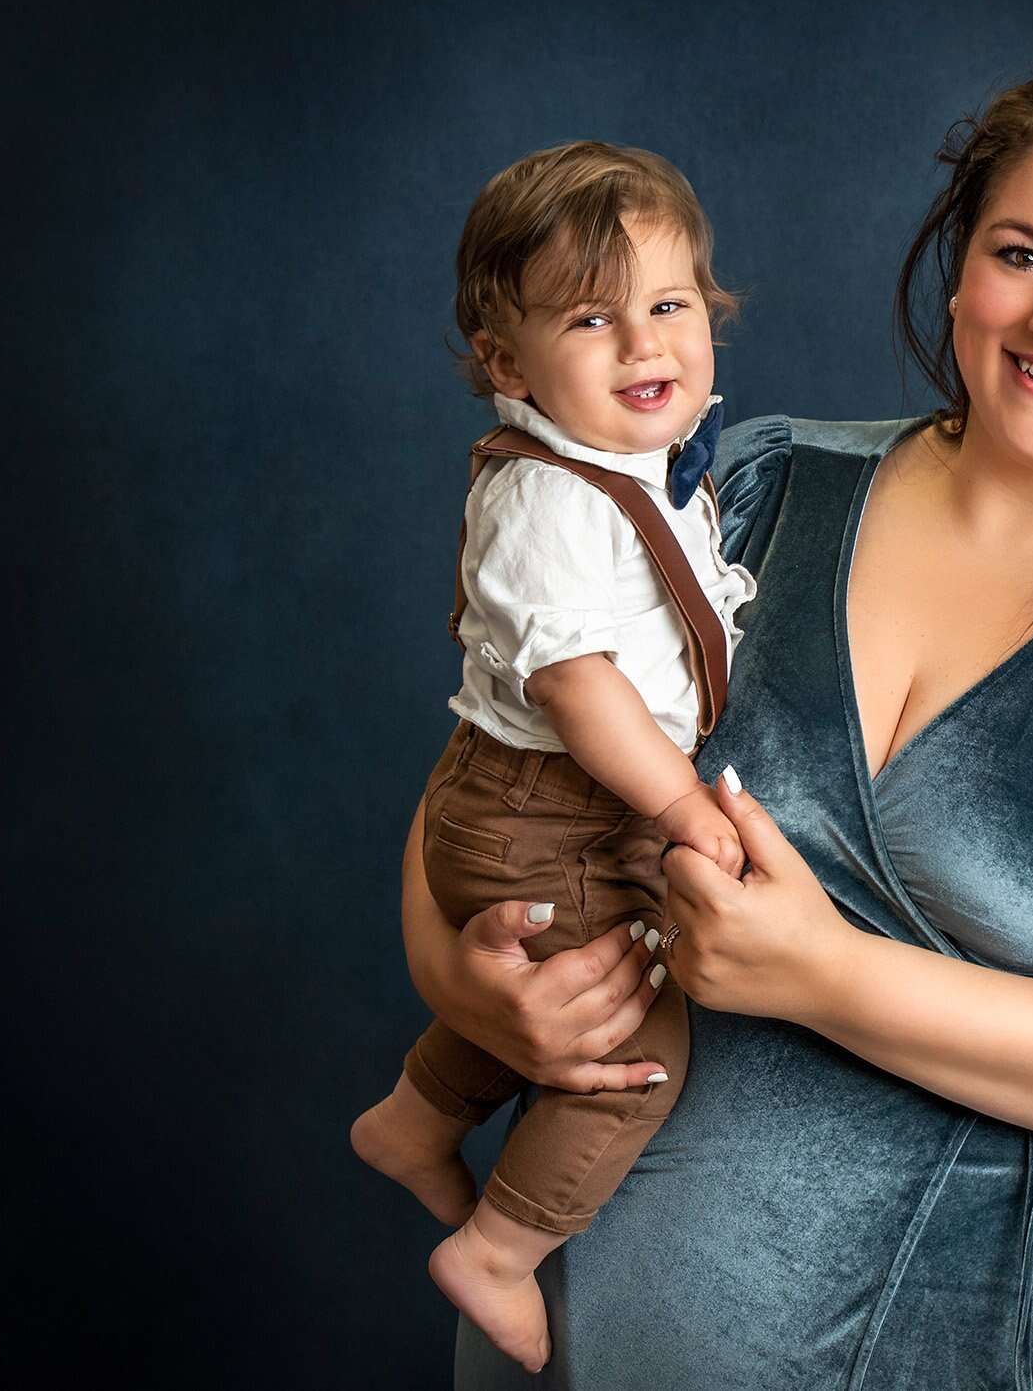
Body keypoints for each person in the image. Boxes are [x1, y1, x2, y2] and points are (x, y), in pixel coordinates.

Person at [399, 68, 1033, 1390]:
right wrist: (471, 985)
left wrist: (826, 972)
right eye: (1021, 254)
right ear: (960, 274)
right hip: (562, 1327)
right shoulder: (755, 489)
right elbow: (476, 798)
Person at [350, 140, 755, 1375]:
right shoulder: (545, 497)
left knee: (550, 985)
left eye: (669, 305)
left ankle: (413, 1118)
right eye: (592, 316)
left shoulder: (636, 465)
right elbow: (580, 688)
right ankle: (498, 1249)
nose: (644, 345)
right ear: (504, 361)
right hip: (551, 811)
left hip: (545, 806)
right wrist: (684, 801)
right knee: (630, 1048)